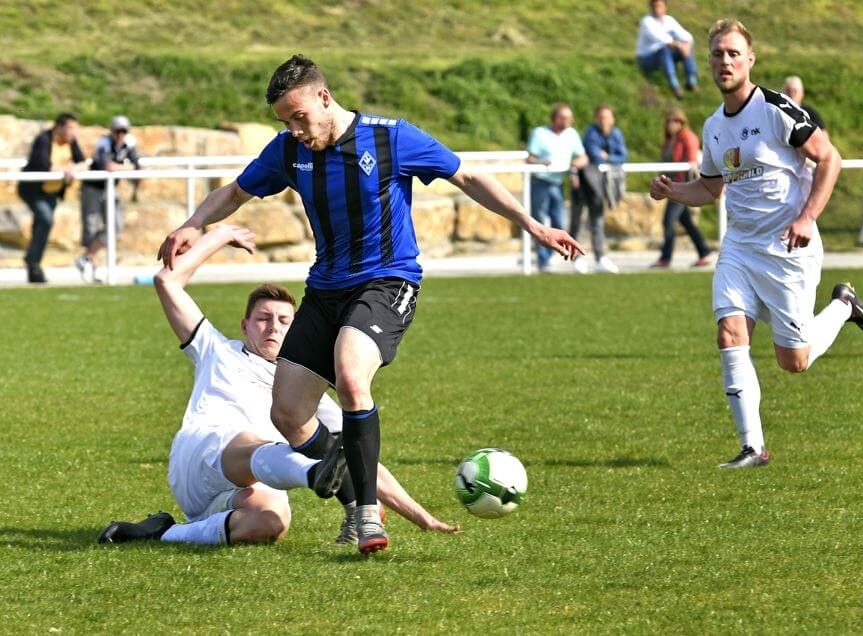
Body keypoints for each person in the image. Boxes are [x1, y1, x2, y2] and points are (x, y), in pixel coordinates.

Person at [158, 55, 582, 554]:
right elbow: (234, 192)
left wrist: (534, 225)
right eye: (284, 122)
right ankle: (358, 492)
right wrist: (192, 224)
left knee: (351, 373)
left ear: (324, 97)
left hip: (387, 281)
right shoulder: (289, 152)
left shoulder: (391, 138)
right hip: (325, 289)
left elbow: (467, 178)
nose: (294, 130)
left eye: (299, 118)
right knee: (289, 414)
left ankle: (364, 512)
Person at [99, 225, 459, 546]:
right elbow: (167, 281)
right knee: (252, 441)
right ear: (244, 325)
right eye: (263, 319)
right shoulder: (215, 349)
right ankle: (311, 472)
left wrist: (419, 515)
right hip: (199, 458)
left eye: (284, 321)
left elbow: (360, 458)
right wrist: (220, 235)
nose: (272, 327)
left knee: (272, 521)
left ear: (296, 329)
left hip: (246, 487)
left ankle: (163, 532)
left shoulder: (303, 391)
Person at [649, 19, 863, 469]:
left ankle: (843, 306)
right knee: (729, 334)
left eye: (734, 53)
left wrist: (808, 217)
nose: (725, 61)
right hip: (739, 247)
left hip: (788, 247)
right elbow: (711, 189)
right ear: (708, 61)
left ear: (750, 60)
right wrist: (673, 191)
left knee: (794, 361)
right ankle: (753, 447)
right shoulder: (714, 127)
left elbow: (830, 157)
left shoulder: (775, 109)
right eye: (717, 54)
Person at [17, 112, 86, 284]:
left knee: (41, 224)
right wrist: (65, 170)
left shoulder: (71, 142)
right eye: (70, 127)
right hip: (33, 190)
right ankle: (33, 262)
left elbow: (83, 161)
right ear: (59, 126)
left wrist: (74, 169)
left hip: (52, 192)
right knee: (45, 220)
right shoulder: (44, 140)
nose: (73, 132)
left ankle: (33, 265)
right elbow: (42, 165)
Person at [77, 115, 141, 282]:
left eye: (123, 131)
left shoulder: (129, 143)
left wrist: (124, 168)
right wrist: (127, 168)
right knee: (91, 226)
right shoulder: (104, 143)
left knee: (116, 226)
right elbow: (108, 166)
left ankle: (86, 257)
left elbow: (137, 166)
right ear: (112, 131)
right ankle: (93, 266)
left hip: (110, 187)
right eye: (117, 131)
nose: (120, 134)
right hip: (93, 188)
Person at [527, 103, 589, 273]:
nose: (570, 121)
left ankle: (563, 255)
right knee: (538, 222)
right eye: (566, 117)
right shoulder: (540, 133)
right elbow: (530, 158)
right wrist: (542, 162)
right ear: (556, 118)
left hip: (558, 183)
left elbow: (583, 157)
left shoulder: (571, 134)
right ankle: (543, 260)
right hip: (540, 182)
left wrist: (574, 167)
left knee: (559, 222)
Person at [653, 106, 713, 269]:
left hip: (682, 187)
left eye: (675, 121)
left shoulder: (688, 137)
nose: (671, 125)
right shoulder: (669, 140)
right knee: (687, 223)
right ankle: (704, 252)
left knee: (668, 221)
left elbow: (691, 161)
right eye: (669, 121)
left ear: (681, 122)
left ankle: (665, 258)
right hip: (671, 186)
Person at [572, 104, 628, 274]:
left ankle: (600, 258)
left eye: (607, 116)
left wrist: (608, 157)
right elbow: (595, 155)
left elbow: (623, 155)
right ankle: (576, 257)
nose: (604, 120)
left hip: (600, 184)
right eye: (601, 117)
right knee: (577, 220)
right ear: (596, 118)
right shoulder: (591, 132)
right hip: (584, 182)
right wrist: (609, 157)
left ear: (613, 118)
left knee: (597, 220)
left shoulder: (616, 133)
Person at [635, 0, 698, 100]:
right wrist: (679, 45)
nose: (657, 8)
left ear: (665, 7)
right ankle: (674, 84)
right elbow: (659, 38)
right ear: (651, 7)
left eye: (660, 6)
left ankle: (691, 80)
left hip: (666, 54)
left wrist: (687, 44)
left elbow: (686, 35)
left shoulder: (669, 20)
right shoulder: (647, 21)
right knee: (664, 49)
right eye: (655, 6)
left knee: (686, 47)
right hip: (647, 58)